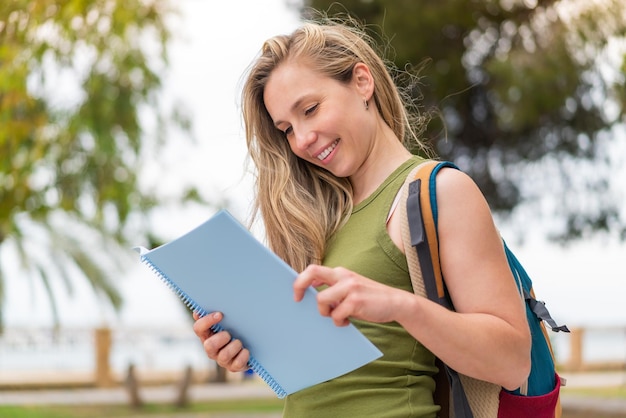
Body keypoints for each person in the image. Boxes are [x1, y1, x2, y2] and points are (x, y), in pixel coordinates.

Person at [193, 17, 531, 418]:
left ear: (361, 82)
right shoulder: (318, 217)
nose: (301, 140)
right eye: (286, 128)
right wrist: (248, 349)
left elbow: (512, 362)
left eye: (311, 109)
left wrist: (400, 306)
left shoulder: (439, 191)